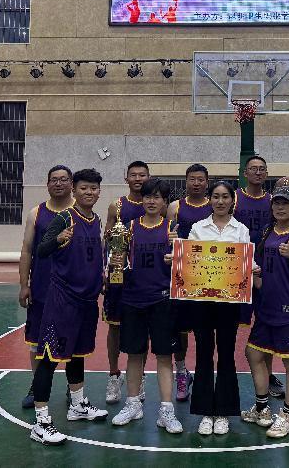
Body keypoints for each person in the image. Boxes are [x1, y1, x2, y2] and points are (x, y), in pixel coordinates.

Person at [29, 168, 110, 445]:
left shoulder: (96, 219)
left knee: (77, 355)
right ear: (74, 190)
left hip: (87, 301)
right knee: (49, 358)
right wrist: (57, 239)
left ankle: (77, 405)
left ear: (99, 192)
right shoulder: (65, 217)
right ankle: (41, 422)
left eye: (94, 188)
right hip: (63, 300)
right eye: (84, 188)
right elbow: (42, 250)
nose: (89, 192)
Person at [110, 179, 184, 434]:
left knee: (164, 356)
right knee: (134, 355)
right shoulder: (129, 228)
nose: (152, 201)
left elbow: (184, 268)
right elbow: (118, 261)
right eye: (147, 196)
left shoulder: (172, 229)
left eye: (157, 197)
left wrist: (177, 254)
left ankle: (166, 410)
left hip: (162, 300)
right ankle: (133, 404)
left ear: (164, 202)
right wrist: (116, 261)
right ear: (141, 200)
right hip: (133, 299)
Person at [241, 184, 289, 439]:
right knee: (253, 353)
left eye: (286, 203)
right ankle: (262, 408)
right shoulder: (266, 232)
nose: (280, 207)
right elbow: (263, 272)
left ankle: (288, 415)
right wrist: (252, 276)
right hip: (266, 307)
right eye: (277, 203)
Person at [187, 180, 255, 436]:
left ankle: (224, 411)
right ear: (210, 199)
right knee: (203, 353)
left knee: (226, 354)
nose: (220, 201)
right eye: (216, 196)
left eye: (225, 196)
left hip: (229, 302)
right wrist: (178, 260)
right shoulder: (198, 228)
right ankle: (205, 411)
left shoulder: (241, 230)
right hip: (202, 302)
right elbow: (190, 260)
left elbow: (245, 262)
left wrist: (252, 267)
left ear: (232, 200)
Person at [18, 165, 74, 408]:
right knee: (36, 341)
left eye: (63, 179)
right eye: (54, 180)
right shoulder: (36, 213)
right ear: (47, 184)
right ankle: (36, 385)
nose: (58, 183)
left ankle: (74, 387)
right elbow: (27, 250)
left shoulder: (80, 212)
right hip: (42, 288)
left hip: (72, 290)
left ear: (71, 183)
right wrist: (24, 285)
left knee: (72, 339)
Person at [233, 155, 282, 397]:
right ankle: (227, 372)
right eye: (253, 168)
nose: (258, 172)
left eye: (262, 169)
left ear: (267, 173)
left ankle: (269, 375)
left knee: (266, 324)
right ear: (245, 172)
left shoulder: (273, 201)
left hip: (265, 271)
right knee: (231, 325)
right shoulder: (233, 198)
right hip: (235, 272)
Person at [103, 161, 151, 404]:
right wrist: (106, 268)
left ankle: (139, 378)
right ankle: (114, 375)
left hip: (145, 276)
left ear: (148, 177)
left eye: (142, 175)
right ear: (126, 178)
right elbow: (107, 240)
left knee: (142, 328)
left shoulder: (156, 205)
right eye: (134, 175)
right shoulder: (117, 206)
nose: (138, 179)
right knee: (114, 326)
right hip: (118, 275)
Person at [166, 163, 211, 401]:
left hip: (209, 276)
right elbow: (168, 239)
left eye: (200, 179)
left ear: (206, 182)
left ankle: (204, 373)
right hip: (181, 277)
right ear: (186, 181)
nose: (196, 183)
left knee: (204, 330)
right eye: (192, 179)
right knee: (180, 330)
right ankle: (182, 371)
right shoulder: (175, 207)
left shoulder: (215, 205)